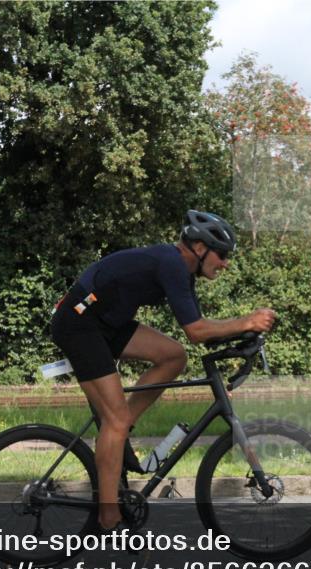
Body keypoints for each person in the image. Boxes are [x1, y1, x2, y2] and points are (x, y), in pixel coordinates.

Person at [50, 210, 276, 531]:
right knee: (113, 422)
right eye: (222, 255)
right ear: (199, 248)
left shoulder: (180, 271)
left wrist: (242, 337)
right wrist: (247, 321)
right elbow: (197, 330)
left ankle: (121, 425)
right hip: (80, 323)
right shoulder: (171, 263)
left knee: (173, 356)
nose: (225, 263)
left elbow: (200, 334)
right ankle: (108, 517)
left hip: (105, 323)